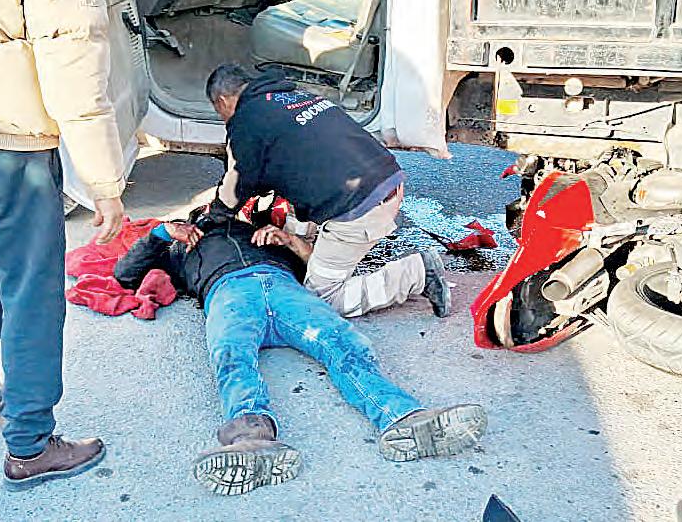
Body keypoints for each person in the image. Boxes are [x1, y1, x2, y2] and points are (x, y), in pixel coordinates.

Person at [114, 207, 487, 496]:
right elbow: (125, 274)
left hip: (285, 288)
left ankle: (403, 417)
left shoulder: (258, 230)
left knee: (343, 342)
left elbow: (318, 269)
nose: (212, 214)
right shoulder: (180, 249)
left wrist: (289, 241)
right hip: (228, 293)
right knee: (231, 356)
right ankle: (250, 438)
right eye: (204, 213)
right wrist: (162, 234)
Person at [0, 0, 127, 490]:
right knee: (31, 298)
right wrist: (104, 181)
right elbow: (70, 57)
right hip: (10, 145)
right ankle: (30, 446)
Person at [203, 63, 452, 319]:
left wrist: (214, 218)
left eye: (218, 111)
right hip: (384, 179)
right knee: (292, 197)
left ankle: (417, 273)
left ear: (222, 101)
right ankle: (307, 252)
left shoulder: (245, 122)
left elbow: (236, 184)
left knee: (324, 298)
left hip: (360, 205)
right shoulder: (291, 94)